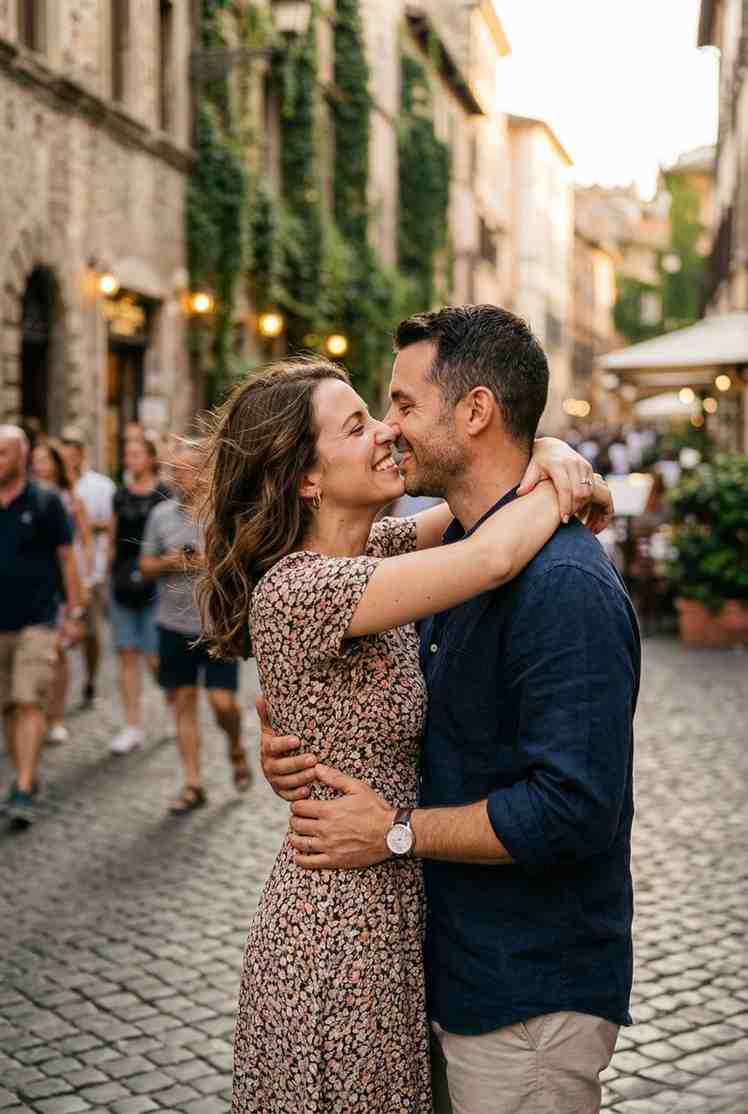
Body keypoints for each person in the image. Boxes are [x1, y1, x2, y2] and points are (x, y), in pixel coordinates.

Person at [196, 345, 612, 1113]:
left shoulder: (374, 551)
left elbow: (479, 495)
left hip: (393, 912)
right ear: (307, 478)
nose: (387, 431)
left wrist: (548, 450)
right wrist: (561, 486)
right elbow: (490, 555)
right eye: (358, 426)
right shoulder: (301, 588)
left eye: (386, 412)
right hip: (335, 933)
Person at [140, 440, 251, 814]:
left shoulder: (225, 514)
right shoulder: (160, 515)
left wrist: (208, 563)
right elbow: (143, 567)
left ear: (204, 472)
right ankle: (193, 782)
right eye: (174, 471)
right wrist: (169, 562)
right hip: (173, 624)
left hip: (217, 626)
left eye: (183, 470)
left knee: (223, 704)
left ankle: (235, 746)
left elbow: (243, 568)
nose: (177, 476)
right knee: (183, 702)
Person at [0, 426, 85, 827]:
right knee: (7, 706)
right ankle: (23, 777)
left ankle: (23, 784)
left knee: (28, 699)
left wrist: (74, 612)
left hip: (39, 619)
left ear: (22, 455)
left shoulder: (47, 502)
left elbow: (68, 559)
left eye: (3, 452)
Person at [30, 439, 94, 745]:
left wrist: (86, 582)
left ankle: (55, 716)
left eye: (44, 460)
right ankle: (35, 713)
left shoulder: (70, 499)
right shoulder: (23, 497)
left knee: (58, 652)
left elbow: (85, 542)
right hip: (34, 584)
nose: (38, 466)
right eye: (35, 460)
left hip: (63, 583)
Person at [108, 435, 169, 754]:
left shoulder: (164, 494)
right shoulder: (119, 494)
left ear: (150, 457)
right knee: (127, 653)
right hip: (121, 579)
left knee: (155, 657)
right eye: (127, 453)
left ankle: (174, 703)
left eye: (136, 453)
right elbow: (113, 536)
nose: (130, 458)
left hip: (155, 582)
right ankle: (132, 724)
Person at [61, 428, 116, 705]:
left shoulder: (101, 486)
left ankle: (90, 678)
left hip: (90, 570)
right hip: (59, 570)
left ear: (81, 454)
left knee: (91, 633)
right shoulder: (56, 488)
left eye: (72, 454)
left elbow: (112, 525)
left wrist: (86, 523)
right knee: (61, 636)